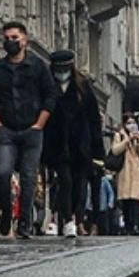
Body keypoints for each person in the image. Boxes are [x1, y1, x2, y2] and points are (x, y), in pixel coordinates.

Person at [0, 22, 57, 239]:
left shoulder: (38, 66)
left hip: (32, 129)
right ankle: (6, 213)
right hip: (6, 129)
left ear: (25, 40)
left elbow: (50, 96)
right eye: (6, 38)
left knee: (28, 176)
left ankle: (25, 222)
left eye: (14, 38)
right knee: (1, 172)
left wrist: (39, 124)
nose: (10, 42)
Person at [44, 50, 103, 238]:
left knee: (79, 184)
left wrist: (97, 151)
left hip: (80, 144)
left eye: (65, 68)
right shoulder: (48, 86)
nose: (62, 73)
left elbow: (94, 119)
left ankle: (77, 217)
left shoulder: (82, 87)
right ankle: (68, 219)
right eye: (58, 68)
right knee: (65, 180)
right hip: (57, 144)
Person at [110, 113, 139, 235]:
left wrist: (137, 142)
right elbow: (115, 150)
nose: (131, 125)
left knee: (136, 200)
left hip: (137, 171)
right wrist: (127, 140)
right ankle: (128, 225)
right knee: (126, 200)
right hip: (125, 170)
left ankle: (135, 225)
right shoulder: (119, 135)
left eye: (133, 123)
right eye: (128, 123)